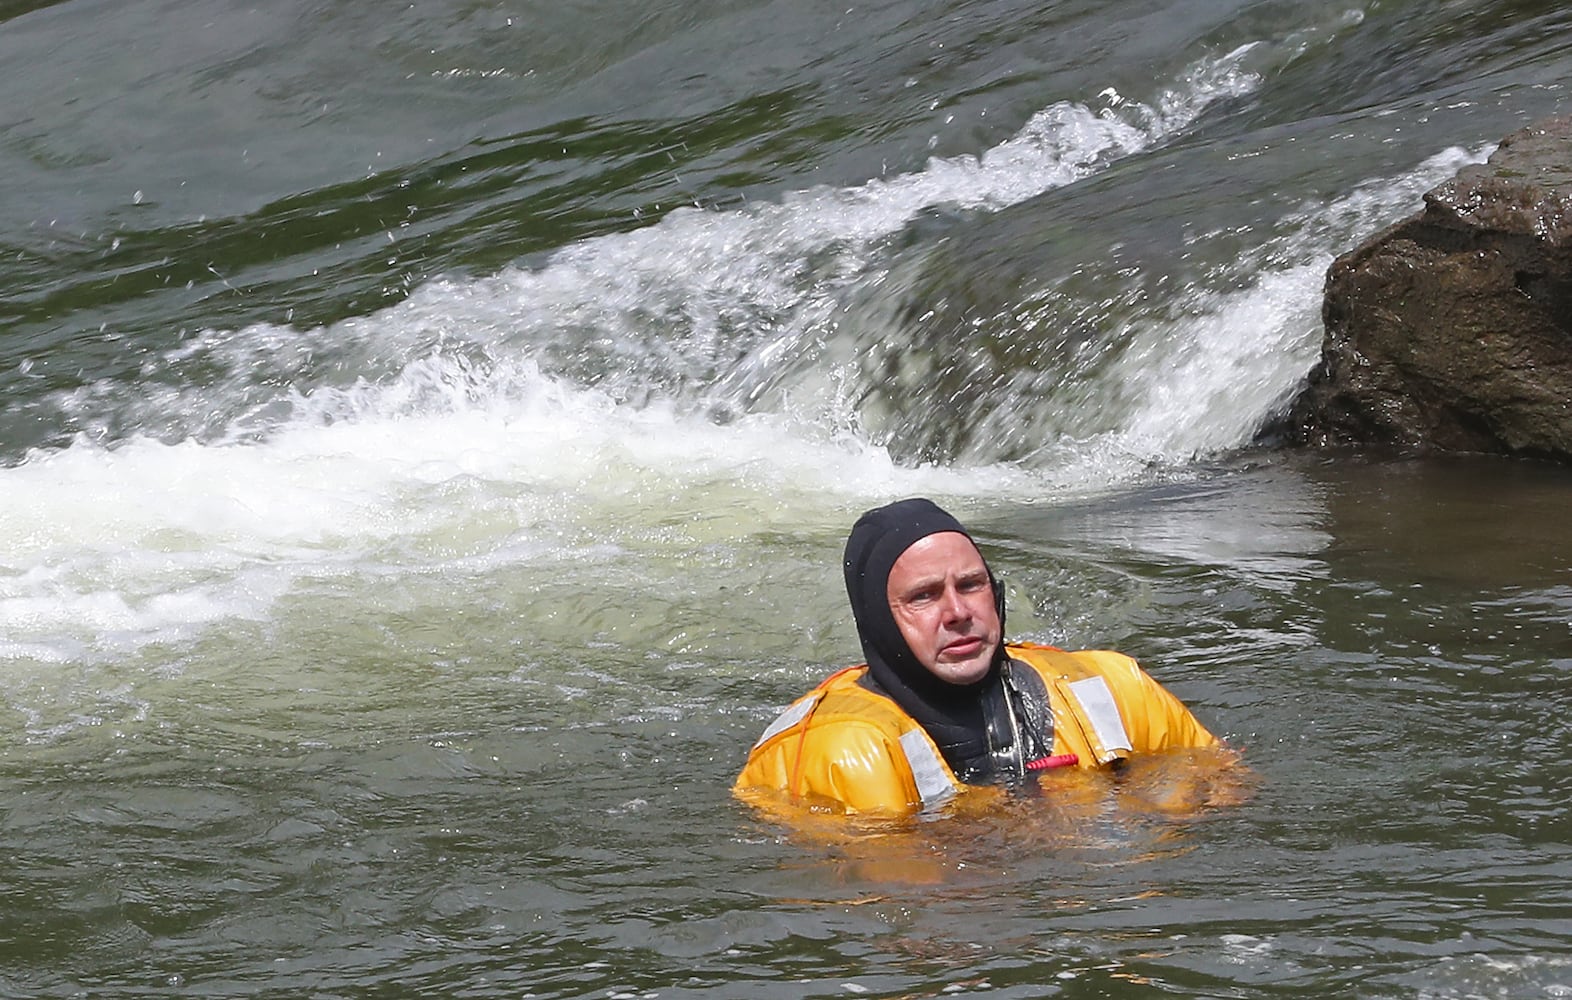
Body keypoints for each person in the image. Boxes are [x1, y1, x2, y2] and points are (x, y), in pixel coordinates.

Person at [734, 497, 1222, 816]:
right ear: (880, 623)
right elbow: (914, 911)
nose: (957, 612)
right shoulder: (840, 750)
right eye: (923, 596)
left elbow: (1227, 791)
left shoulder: (1112, 685)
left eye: (971, 585)